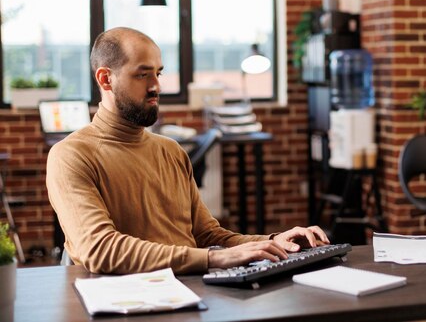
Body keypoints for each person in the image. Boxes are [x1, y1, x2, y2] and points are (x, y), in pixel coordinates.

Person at [46, 26, 329, 275]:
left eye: (157, 73)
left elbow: (207, 234)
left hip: (189, 292)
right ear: (106, 79)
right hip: (123, 303)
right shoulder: (71, 156)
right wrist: (213, 259)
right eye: (142, 75)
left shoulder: (170, 151)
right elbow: (100, 249)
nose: (156, 86)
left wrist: (271, 242)